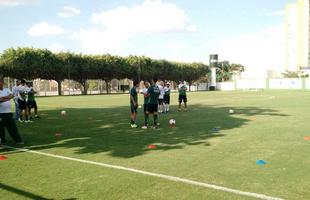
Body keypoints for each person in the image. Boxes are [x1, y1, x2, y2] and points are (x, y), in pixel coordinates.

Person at [0, 77, 24, 145]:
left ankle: (18, 140)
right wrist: (7, 98)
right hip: (1, 113)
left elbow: (12, 95)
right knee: (1, 129)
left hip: (9, 113)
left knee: (13, 128)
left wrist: (3, 98)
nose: (0, 83)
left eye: (1, 82)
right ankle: (2, 141)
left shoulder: (7, 89)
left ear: (2, 83)